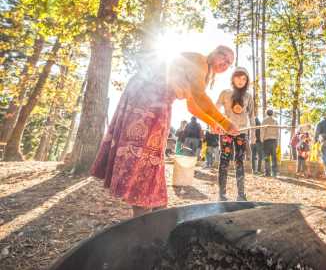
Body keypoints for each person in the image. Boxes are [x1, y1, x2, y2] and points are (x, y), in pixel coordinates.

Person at [90, 46, 238, 217]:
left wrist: (212, 123)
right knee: (143, 150)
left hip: (159, 101)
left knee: (153, 152)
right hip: (147, 95)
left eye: (229, 63)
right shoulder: (200, 62)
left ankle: (155, 205)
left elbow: (192, 105)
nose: (225, 63)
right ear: (213, 53)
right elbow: (199, 96)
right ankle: (142, 207)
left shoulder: (203, 74)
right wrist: (225, 122)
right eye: (223, 56)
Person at [216, 67, 255, 201]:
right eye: (238, 77)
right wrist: (215, 123)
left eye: (244, 79)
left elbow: (252, 116)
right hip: (226, 132)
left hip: (241, 133)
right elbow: (216, 108)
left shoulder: (248, 96)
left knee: (239, 161)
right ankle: (221, 194)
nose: (241, 81)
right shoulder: (225, 93)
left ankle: (241, 194)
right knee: (224, 160)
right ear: (233, 78)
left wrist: (253, 135)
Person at [262, 109, 279, 177]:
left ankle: (267, 173)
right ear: (272, 113)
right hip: (274, 140)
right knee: (274, 157)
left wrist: (262, 140)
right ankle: (274, 173)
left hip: (266, 140)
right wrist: (277, 141)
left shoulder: (264, 120)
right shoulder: (275, 121)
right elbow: (277, 132)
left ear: (266, 113)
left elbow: (262, 131)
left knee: (267, 157)